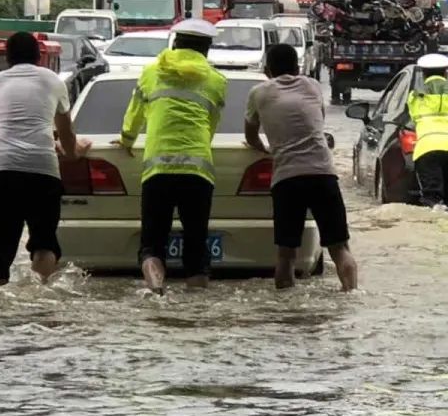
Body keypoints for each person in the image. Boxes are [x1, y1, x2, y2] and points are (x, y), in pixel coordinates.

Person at [115, 18, 227, 294]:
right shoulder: (217, 80)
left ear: (175, 44)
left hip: (157, 171)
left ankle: (156, 291)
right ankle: (197, 312)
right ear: (206, 50)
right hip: (198, 172)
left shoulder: (151, 72)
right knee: (196, 244)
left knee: (152, 243)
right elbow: (211, 125)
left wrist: (126, 140)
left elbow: (134, 114)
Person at [244, 43, 358, 291]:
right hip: (323, 175)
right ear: (297, 68)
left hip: (287, 178)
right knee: (339, 248)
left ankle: (287, 312)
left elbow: (251, 134)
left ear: (267, 70)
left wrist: (266, 149)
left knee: (286, 254)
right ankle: (351, 297)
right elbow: (317, 121)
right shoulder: (314, 86)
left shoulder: (259, 93)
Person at [0, 32, 90, 285]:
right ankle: (40, 298)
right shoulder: (53, 81)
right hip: (42, 169)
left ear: (7, 57)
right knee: (44, 243)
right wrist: (73, 153)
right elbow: (66, 130)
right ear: (39, 56)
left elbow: (12, 121)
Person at [407, 53, 448, 213]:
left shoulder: (416, 95)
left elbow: (414, 118)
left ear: (423, 74)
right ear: (446, 73)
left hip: (428, 147)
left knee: (432, 198)